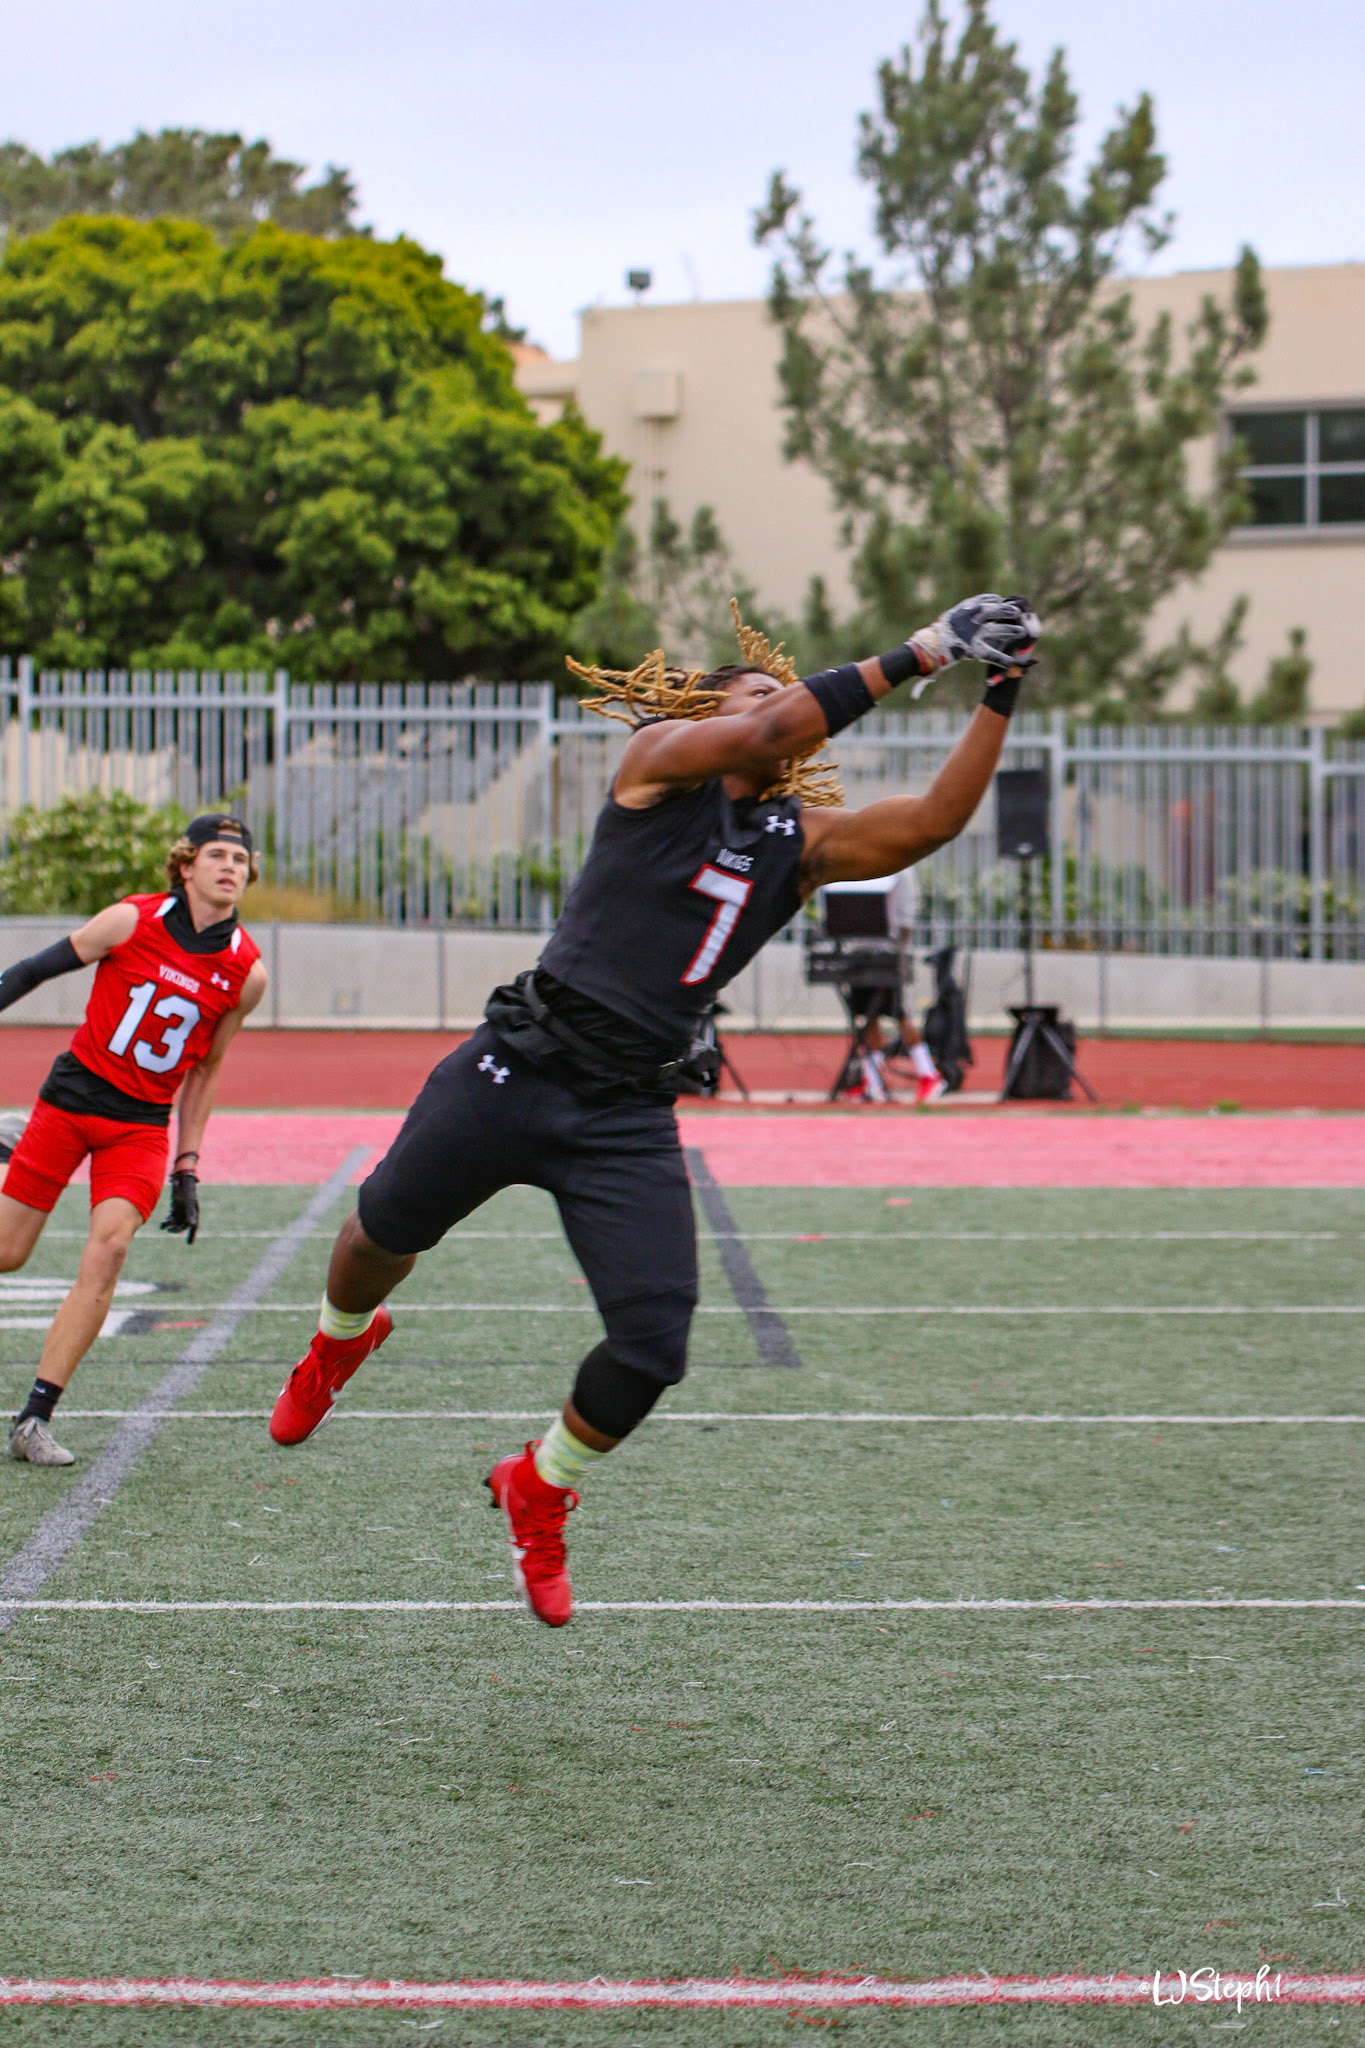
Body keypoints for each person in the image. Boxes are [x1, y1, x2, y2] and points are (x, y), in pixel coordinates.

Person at [270, 593, 1040, 1624]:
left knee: (652, 1345)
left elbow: (931, 823)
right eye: (756, 693)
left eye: (782, 694)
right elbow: (770, 730)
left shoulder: (796, 841)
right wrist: (928, 648)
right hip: (518, 1062)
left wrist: (1001, 688)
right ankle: (338, 1341)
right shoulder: (658, 767)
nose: (777, 706)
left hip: (624, 1109)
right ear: (705, 713)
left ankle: (539, 1482)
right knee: (380, 1230)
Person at [1, 815, 267, 1465]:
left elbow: (205, 1070)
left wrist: (188, 1165)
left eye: (240, 859)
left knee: (111, 1248)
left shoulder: (246, 972)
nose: (230, 867)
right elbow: (36, 969)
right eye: (216, 855)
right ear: (186, 865)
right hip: (71, 1101)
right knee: (8, 1253)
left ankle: (35, 1418)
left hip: (141, 1126)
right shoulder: (131, 919)